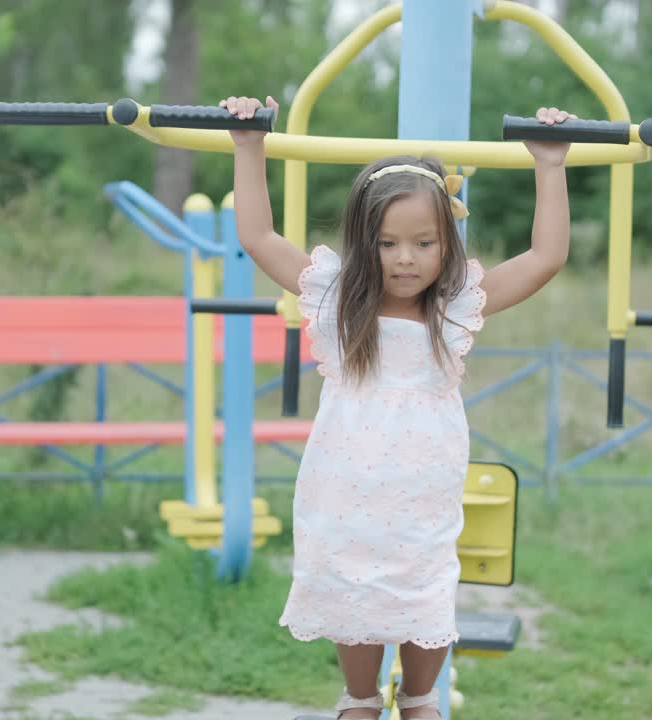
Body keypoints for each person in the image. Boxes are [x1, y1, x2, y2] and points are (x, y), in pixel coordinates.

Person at [220, 94, 573, 719]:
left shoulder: (455, 307)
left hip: (421, 487)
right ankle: (359, 698)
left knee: (421, 584)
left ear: (447, 245)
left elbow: (546, 258)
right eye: (387, 243)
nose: (405, 258)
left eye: (423, 242)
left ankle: (418, 696)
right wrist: (249, 147)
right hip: (344, 484)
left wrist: (550, 164)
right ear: (364, 241)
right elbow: (257, 235)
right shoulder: (336, 303)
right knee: (350, 583)